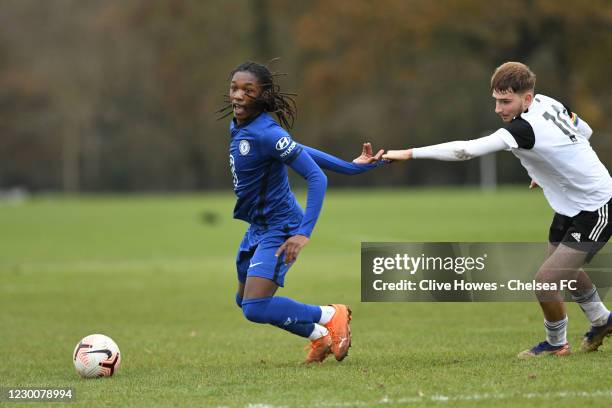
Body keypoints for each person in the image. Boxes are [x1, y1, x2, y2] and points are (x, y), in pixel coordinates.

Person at [383, 61, 612, 358]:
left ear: (526, 99)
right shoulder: (548, 102)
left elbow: (465, 150)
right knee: (564, 270)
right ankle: (602, 320)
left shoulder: (522, 128)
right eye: (496, 100)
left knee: (546, 281)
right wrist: (548, 169)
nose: (498, 109)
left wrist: (409, 153)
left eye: (506, 101)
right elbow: (585, 131)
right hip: (570, 205)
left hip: (597, 206)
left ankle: (556, 344)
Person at [220, 61, 384, 364]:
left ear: (263, 95)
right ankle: (319, 337)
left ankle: (330, 314)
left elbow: (316, 177)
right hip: (259, 226)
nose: (238, 95)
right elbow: (298, 148)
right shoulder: (240, 126)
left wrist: (302, 233)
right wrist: (350, 167)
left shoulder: (266, 133)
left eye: (248, 90)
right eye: (234, 88)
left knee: (255, 307)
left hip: (281, 227)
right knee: (243, 300)